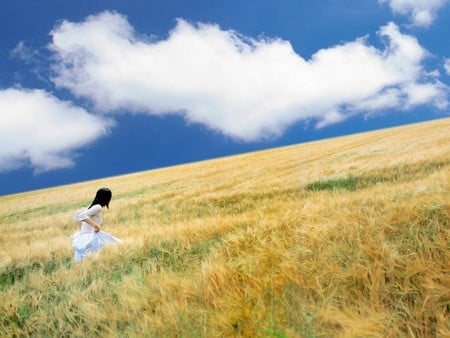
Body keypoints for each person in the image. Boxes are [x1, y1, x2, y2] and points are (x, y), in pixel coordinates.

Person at [72, 187, 122, 262]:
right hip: (91, 236)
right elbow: (81, 216)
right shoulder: (98, 207)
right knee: (115, 244)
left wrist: (81, 230)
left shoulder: (92, 206)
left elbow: (77, 215)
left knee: (85, 259)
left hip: (86, 235)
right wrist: (95, 226)